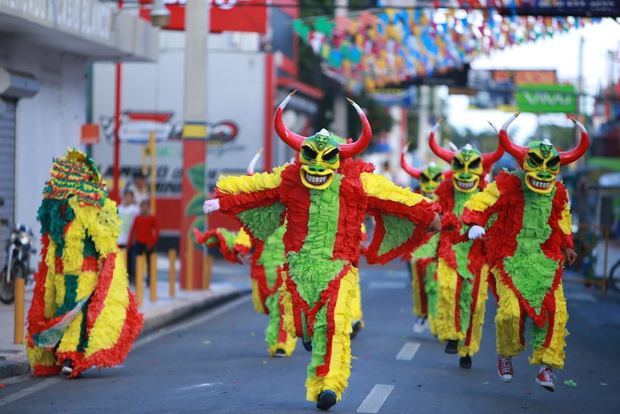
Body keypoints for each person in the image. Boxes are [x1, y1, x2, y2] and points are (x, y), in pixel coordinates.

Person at [203, 93, 440, 411]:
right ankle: (307, 340)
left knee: (334, 323)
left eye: (326, 158)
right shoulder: (290, 180)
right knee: (303, 326)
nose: (316, 165)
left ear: (339, 159)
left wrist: (429, 214)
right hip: (298, 268)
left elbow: (396, 196)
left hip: (338, 268)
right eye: (310, 156)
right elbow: (257, 188)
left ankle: (329, 385)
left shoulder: (359, 183)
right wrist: (223, 200)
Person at [463, 114, 587, 391]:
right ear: (524, 163)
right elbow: (482, 200)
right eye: (537, 164)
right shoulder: (508, 184)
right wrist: (473, 222)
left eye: (550, 166)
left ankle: (545, 367)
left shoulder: (558, 192)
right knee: (510, 312)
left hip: (545, 258)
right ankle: (505, 355)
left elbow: (562, 217)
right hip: (510, 256)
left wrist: (567, 243)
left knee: (556, 312)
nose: (543, 173)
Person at [26, 149, 143, 378]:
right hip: (63, 275)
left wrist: (108, 270)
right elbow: (51, 245)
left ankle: (70, 356)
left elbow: (105, 244)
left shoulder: (82, 207)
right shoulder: (63, 209)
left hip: (82, 274)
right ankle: (62, 354)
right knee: (63, 312)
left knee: (76, 313)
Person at [428, 124, 503, 369]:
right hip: (450, 248)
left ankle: (467, 349)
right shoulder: (443, 191)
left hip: (478, 254)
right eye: (460, 166)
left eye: (473, 167)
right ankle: (451, 333)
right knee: (447, 289)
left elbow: (498, 223)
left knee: (475, 303)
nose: (466, 174)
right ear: (452, 168)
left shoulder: (489, 195)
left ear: (481, 172)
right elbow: (433, 214)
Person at [400, 148, 447, 334]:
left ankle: (437, 319)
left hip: (442, 248)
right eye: (426, 180)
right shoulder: (413, 198)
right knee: (419, 282)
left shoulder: (448, 198)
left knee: (437, 283)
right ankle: (423, 314)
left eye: (435, 180)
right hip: (419, 247)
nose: (430, 185)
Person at [128, 200, 159, 283]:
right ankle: (135, 278)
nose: (144, 209)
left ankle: (150, 280)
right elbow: (133, 230)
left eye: (146, 207)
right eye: (143, 207)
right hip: (139, 242)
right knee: (135, 261)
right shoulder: (137, 218)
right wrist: (130, 242)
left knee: (150, 263)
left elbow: (157, 231)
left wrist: (153, 243)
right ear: (141, 208)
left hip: (150, 243)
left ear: (148, 208)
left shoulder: (152, 218)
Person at [118, 190, 139, 280]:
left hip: (130, 240)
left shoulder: (135, 210)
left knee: (131, 260)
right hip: (119, 239)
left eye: (129, 197)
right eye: (126, 196)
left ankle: (131, 277)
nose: (127, 199)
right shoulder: (118, 208)